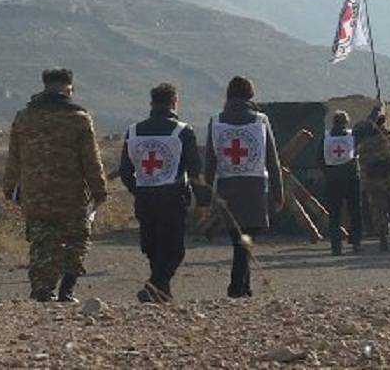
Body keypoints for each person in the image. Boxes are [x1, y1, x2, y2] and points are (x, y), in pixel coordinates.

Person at [3, 69, 107, 302]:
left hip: (35, 194)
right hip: (71, 195)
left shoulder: (24, 117)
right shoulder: (79, 118)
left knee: (42, 241)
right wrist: (99, 190)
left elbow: (14, 156)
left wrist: (10, 187)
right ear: (69, 87)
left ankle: (42, 289)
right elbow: (91, 159)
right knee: (76, 240)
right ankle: (66, 290)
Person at [119, 83, 207, 303]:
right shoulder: (183, 131)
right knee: (174, 248)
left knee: (152, 245)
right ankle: (155, 286)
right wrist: (203, 201)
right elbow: (194, 170)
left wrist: (137, 189)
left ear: (152, 103)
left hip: (145, 197)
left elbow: (125, 170)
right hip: (173, 196)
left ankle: (159, 289)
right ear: (174, 102)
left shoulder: (133, 131)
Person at [203, 76, 284, 298]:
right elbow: (272, 160)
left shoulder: (215, 121)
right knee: (246, 239)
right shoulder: (261, 120)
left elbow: (209, 163)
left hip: (226, 189)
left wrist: (204, 198)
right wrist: (279, 193)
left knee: (238, 239)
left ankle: (243, 286)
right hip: (255, 188)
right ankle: (236, 286)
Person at [355, 114, 390, 252]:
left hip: (373, 183)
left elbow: (363, 167)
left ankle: (383, 239)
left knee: (378, 211)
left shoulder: (363, 146)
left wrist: (365, 185)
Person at [318, 110, 362, 255]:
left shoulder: (325, 138)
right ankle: (356, 243)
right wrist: (376, 108)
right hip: (351, 179)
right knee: (355, 211)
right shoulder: (352, 137)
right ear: (346, 122)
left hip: (333, 180)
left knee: (334, 214)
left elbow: (320, 159)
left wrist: (328, 172)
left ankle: (336, 246)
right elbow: (368, 124)